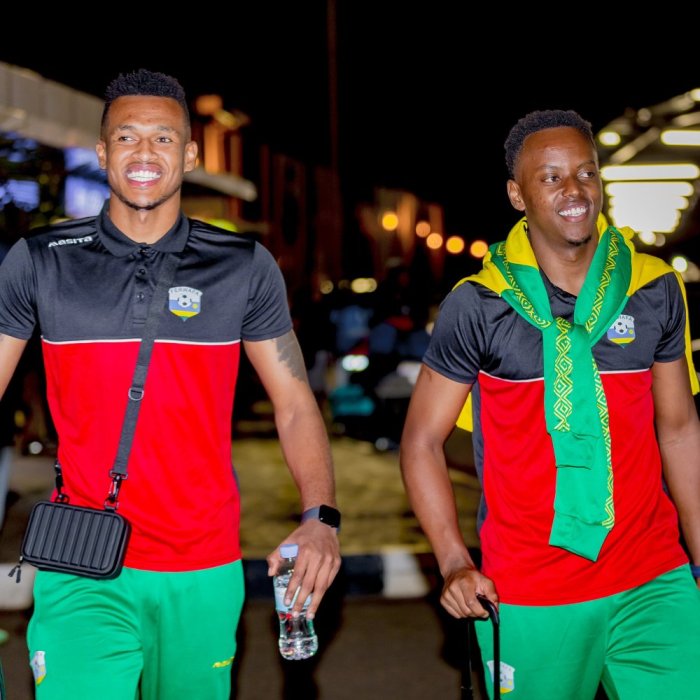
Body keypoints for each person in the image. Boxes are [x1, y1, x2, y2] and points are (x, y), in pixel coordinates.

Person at [0, 69, 341, 700]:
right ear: (102, 152)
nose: (144, 153)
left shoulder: (242, 265)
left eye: (163, 138)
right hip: (80, 561)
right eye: (126, 137)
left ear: (189, 155)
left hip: (202, 565)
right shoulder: (42, 260)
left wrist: (320, 516)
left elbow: (295, 404)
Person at [400, 109, 700, 699]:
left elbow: (679, 430)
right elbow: (421, 442)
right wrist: (455, 562)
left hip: (653, 580)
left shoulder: (653, 287)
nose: (575, 191)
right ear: (518, 194)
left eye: (586, 173)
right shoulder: (480, 304)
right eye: (552, 177)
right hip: (529, 593)